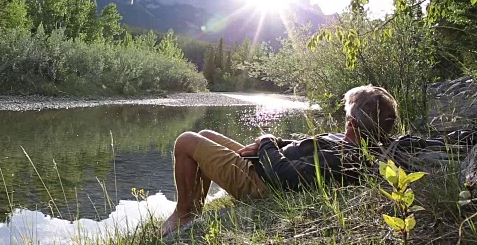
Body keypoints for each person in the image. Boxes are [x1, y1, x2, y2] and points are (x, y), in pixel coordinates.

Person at [159, 85, 398, 236]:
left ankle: (184, 213)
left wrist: (265, 142)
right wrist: (277, 142)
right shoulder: (350, 142)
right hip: (264, 161)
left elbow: (283, 175)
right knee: (206, 135)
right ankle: (195, 209)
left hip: (259, 180)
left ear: (352, 123)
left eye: (346, 115)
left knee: (186, 141)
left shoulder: (343, 157)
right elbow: (304, 148)